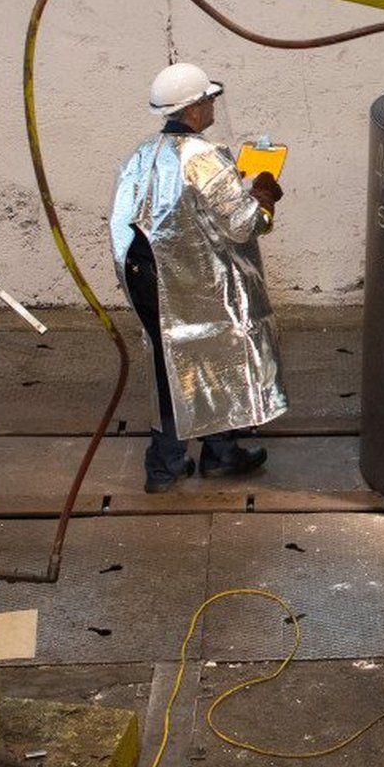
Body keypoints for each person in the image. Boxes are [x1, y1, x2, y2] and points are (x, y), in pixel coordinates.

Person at [110, 62, 288, 493]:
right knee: (212, 357)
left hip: (145, 277)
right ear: (192, 109)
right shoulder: (203, 157)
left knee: (171, 360)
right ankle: (174, 464)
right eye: (208, 99)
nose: (212, 105)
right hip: (189, 284)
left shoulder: (142, 152)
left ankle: (205, 455)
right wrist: (263, 197)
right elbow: (244, 225)